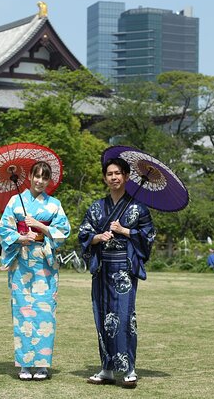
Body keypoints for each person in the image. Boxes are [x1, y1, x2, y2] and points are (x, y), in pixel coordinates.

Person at [78, 157, 156, 389]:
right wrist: (97, 237)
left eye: (119, 173)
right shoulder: (96, 207)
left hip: (124, 269)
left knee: (123, 318)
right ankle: (107, 369)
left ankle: (129, 369)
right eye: (110, 173)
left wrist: (126, 230)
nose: (114, 177)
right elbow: (83, 234)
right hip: (102, 269)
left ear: (127, 177)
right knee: (102, 317)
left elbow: (148, 236)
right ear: (105, 177)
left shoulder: (138, 208)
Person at [0, 161, 71, 381]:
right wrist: (21, 237)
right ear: (29, 176)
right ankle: (24, 364)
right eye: (36, 176)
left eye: (44, 178)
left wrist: (40, 226)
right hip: (21, 262)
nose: (40, 181)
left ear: (49, 181)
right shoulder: (14, 202)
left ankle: (42, 365)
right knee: (22, 311)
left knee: (45, 312)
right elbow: (3, 228)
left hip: (44, 264)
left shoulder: (54, 204)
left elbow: (63, 231)